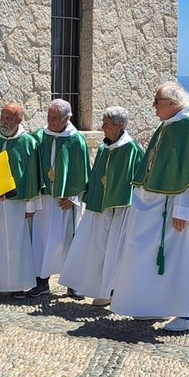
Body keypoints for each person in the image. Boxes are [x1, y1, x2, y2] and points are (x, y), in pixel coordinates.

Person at [110, 82, 189, 330]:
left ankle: (187, 313)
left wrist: (184, 210)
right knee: (150, 257)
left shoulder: (188, 129)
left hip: (175, 212)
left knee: (179, 261)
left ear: (172, 103)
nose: (153, 105)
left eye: (157, 101)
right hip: (156, 208)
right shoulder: (168, 126)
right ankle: (156, 306)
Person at [59, 107, 143, 304]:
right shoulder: (105, 147)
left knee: (116, 251)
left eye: (106, 124)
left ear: (119, 126)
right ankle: (101, 289)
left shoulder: (131, 150)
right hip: (100, 208)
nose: (102, 127)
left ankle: (114, 291)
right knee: (96, 250)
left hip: (120, 210)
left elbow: (137, 182)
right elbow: (97, 175)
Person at [30, 99, 90, 297]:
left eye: (55, 117)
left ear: (66, 118)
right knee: (41, 240)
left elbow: (82, 171)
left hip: (65, 202)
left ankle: (72, 283)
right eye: (49, 116)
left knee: (67, 242)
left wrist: (73, 197)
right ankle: (41, 282)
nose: (50, 120)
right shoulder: (40, 136)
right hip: (45, 199)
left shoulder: (76, 140)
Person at [0, 102, 43, 296]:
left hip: (18, 203)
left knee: (18, 244)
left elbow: (33, 175)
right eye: (3, 117)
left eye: (9, 118)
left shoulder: (28, 143)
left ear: (19, 120)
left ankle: (19, 285)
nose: (4, 121)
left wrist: (30, 206)